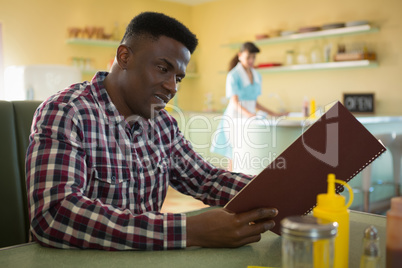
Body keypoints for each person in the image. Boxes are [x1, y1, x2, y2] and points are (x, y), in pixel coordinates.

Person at [26, 12, 278, 251]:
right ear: (124, 57)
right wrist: (188, 231)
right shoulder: (67, 112)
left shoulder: (162, 123)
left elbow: (206, 179)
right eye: (163, 68)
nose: (172, 87)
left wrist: (275, 191)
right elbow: (54, 216)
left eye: (178, 78)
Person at [211, 42, 288, 169]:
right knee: (234, 154)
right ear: (240, 55)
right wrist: (250, 115)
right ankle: (231, 184)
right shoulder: (233, 75)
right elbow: (234, 102)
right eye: (248, 57)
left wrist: (274, 113)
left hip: (250, 117)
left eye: (254, 57)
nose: (251, 60)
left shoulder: (257, 75)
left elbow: (255, 102)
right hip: (235, 117)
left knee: (248, 153)